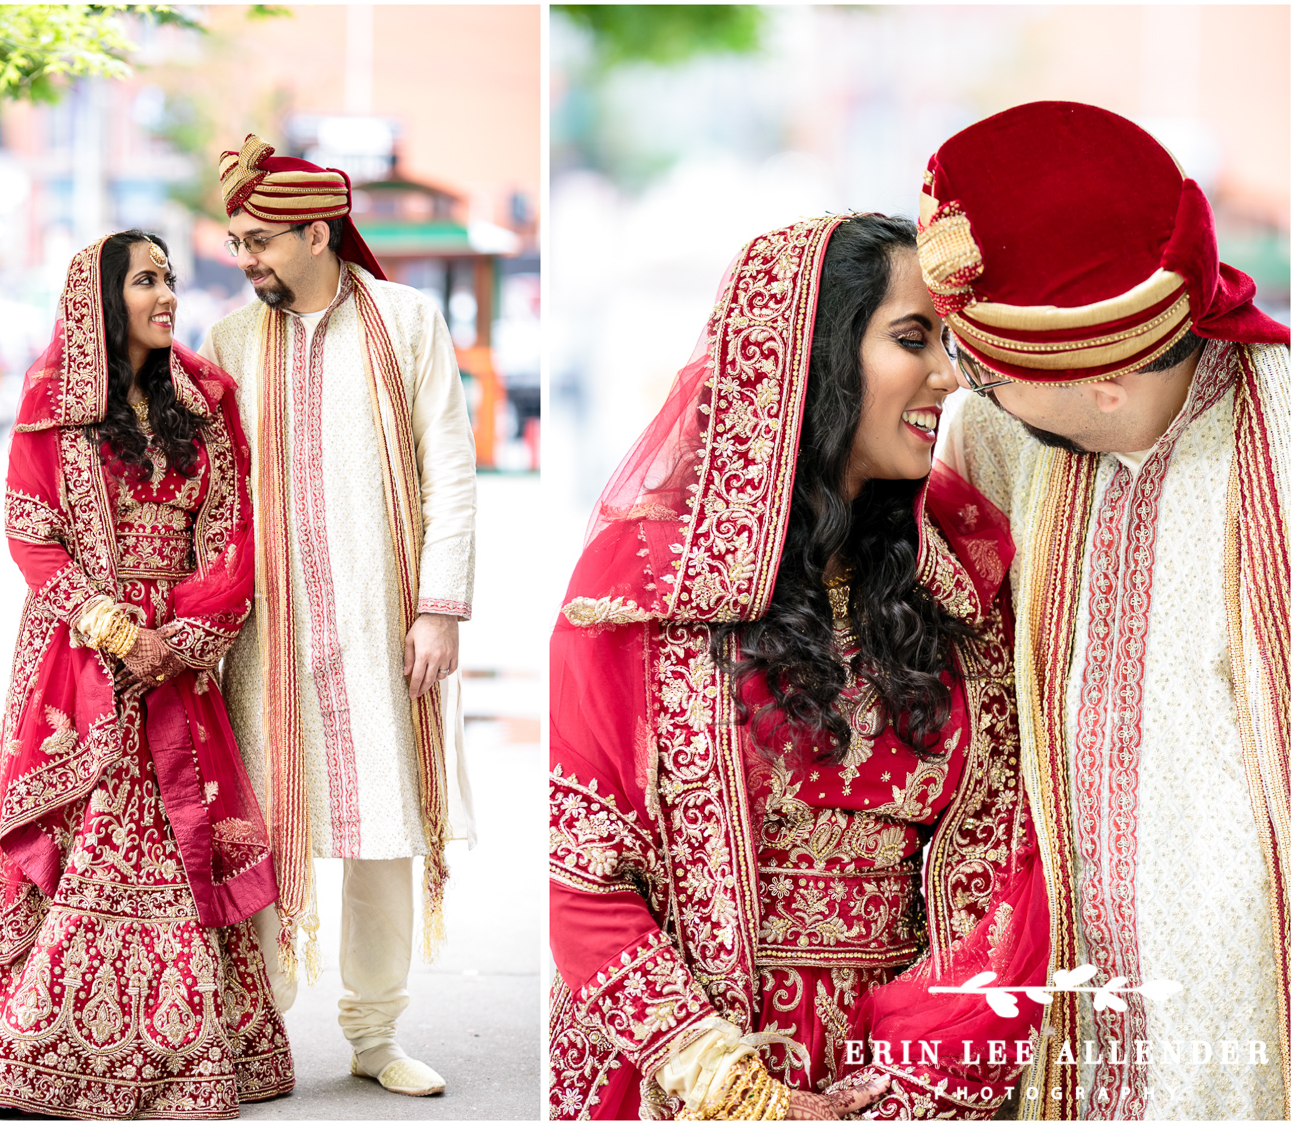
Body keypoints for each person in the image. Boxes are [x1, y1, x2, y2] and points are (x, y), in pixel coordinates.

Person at [549, 213, 1052, 1121]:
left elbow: (1006, 865)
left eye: (947, 340)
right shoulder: (650, 582)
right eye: (913, 337)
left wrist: (898, 1086)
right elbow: (580, 872)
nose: (947, 373)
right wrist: (735, 1089)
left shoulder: (958, 579)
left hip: (901, 1069)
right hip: (682, 1069)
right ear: (807, 355)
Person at [923, 101, 1290, 1122]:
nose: (964, 385)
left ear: (1112, 382)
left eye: (989, 373)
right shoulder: (990, 435)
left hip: (1246, 1012)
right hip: (1055, 999)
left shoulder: (1285, 445)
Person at [0, 231, 295, 1117]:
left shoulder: (207, 398)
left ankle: (175, 1055)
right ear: (100, 298)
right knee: (75, 840)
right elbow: (31, 534)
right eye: (147, 280)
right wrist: (118, 630)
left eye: (170, 278)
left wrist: (188, 634)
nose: (168, 294)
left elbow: (235, 532)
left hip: (182, 663)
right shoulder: (51, 403)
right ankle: (30, 1052)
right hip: (78, 659)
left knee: (174, 837)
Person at [199, 134, 477, 1097]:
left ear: (319, 232)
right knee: (261, 824)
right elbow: (211, 490)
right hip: (265, 632)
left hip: (380, 618)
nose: (247, 260)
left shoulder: (407, 321)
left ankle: (373, 1034)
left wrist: (439, 609)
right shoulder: (231, 341)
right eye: (238, 243)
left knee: (381, 826)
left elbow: (449, 468)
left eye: (262, 242)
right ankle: (254, 1030)